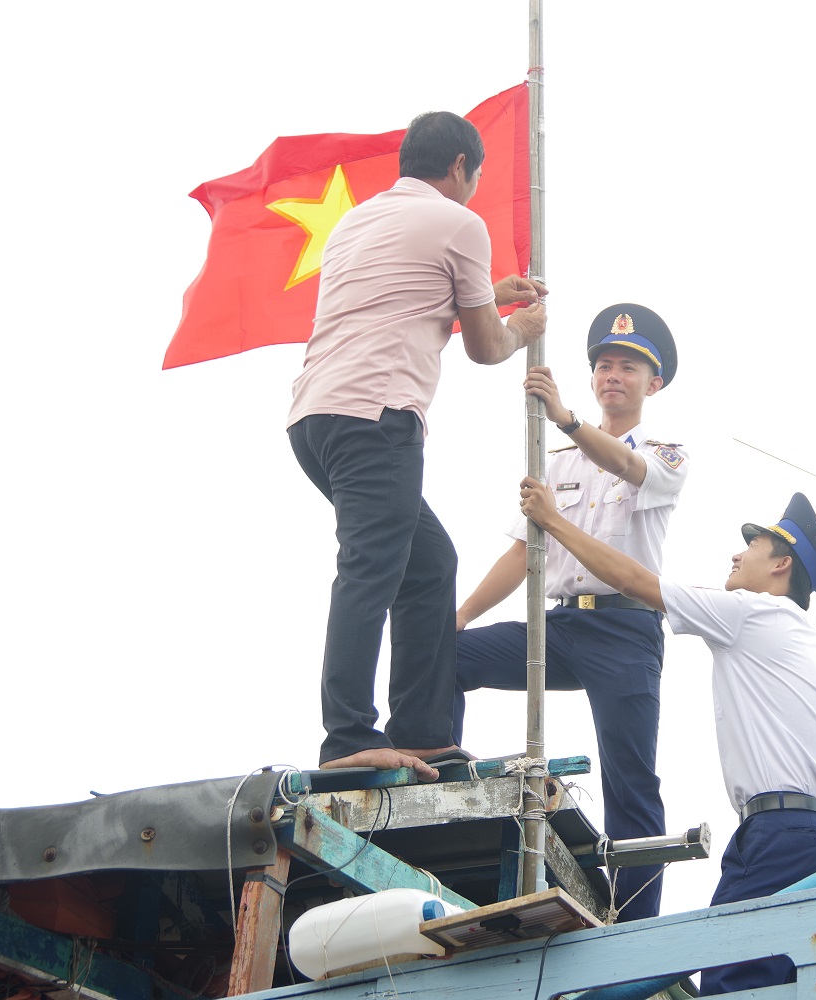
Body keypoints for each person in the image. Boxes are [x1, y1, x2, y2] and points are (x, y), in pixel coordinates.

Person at [518, 483, 816, 993]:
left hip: (780, 832)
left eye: (752, 545)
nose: (736, 555)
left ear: (781, 564)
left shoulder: (751, 612)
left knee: (730, 978)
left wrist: (553, 521)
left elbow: (634, 582)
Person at [286, 110, 548, 779]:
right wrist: (523, 326)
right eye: (475, 176)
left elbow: (405, 300)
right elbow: (487, 346)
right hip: (376, 417)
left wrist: (491, 293)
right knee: (372, 568)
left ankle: (423, 732)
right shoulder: (459, 223)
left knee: (428, 563)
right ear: (460, 166)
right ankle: (347, 737)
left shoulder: (356, 221)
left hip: (317, 420)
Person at [454, 303, 685, 922]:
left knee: (630, 778)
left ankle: (634, 923)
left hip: (626, 630)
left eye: (629, 367)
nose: (614, 375)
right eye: (605, 365)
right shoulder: (555, 462)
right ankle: (441, 778)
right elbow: (522, 553)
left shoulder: (666, 454)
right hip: (561, 625)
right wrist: (464, 613)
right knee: (446, 656)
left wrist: (567, 417)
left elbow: (626, 465)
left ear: (654, 383)